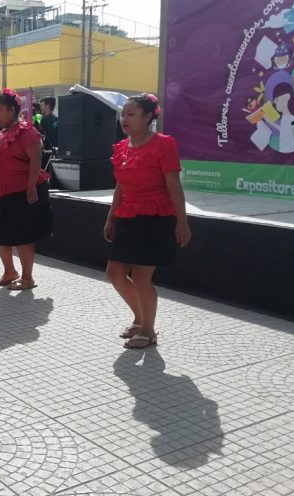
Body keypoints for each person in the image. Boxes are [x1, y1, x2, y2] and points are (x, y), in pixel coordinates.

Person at [103, 93, 191, 349]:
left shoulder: (163, 145)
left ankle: (149, 330)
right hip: (127, 216)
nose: (124, 119)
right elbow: (120, 187)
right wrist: (110, 219)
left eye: (131, 114)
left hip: (156, 219)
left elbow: (174, 185)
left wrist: (182, 221)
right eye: (123, 114)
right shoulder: (121, 147)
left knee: (142, 278)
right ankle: (140, 319)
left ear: (148, 116)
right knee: (114, 273)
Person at [0, 89, 53, 290]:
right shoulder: (1, 133)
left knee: (23, 236)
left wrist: (31, 186)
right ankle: (9, 271)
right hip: (0, 190)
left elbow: (36, 159)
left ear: (11, 110)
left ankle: (27, 278)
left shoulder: (26, 131)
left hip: (22, 191)